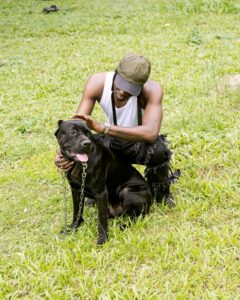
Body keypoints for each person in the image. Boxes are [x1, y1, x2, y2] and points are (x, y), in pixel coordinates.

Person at [55, 54, 178, 207]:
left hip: (136, 143)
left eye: (130, 90)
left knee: (159, 150)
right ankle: (98, 188)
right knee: (86, 145)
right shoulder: (97, 83)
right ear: (116, 74)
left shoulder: (153, 90)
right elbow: (76, 125)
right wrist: (63, 153)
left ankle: (161, 192)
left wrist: (104, 128)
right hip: (110, 143)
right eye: (119, 86)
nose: (121, 93)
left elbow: (151, 133)